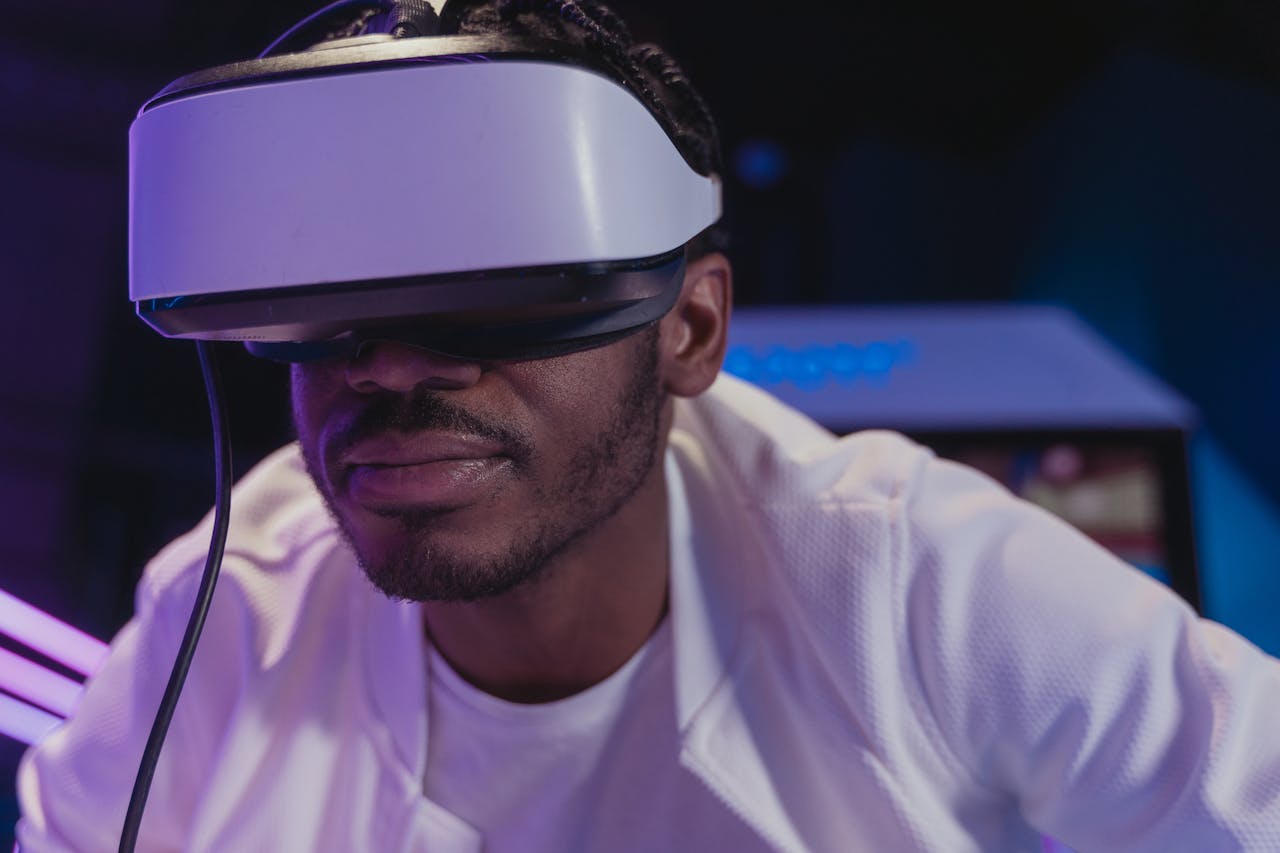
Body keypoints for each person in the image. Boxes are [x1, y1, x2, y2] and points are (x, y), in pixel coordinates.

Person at [17, 1, 1280, 850]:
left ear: (688, 330)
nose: (391, 362)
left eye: (500, 291)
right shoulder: (227, 615)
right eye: (331, 312)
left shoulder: (908, 581)